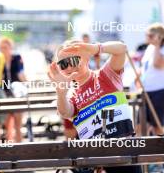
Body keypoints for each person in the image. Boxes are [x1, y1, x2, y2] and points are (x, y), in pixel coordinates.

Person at [48, 40, 141, 173]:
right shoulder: (70, 95)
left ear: (85, 58)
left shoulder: (105, 75)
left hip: (124, 154)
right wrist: (60, 93)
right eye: (63, 64)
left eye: (73, 60)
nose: (69, 67)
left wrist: (97, 48)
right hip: (94, 161)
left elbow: (122, 49)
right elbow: (65, 112)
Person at [141, 23, 164, 136]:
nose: (147, 37)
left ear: (159, 36)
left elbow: (158, 64)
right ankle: (143, 151)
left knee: (158, 127)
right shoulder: (150, 48)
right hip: (147, 91)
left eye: (150, 35)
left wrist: (158, 45)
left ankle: (161, 152)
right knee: (141, 124)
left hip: (162, 92)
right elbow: (146, 67)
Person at [0, 37, 26, 143]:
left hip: (17, 94)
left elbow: (21, 74)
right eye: (1, 47)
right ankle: (9, 150)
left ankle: (20, 149)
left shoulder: (16, 58)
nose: (3, 50)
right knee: (7, 126)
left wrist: (26, 85)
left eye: (5, 47)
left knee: (18, 125)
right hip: (4, 94)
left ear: (10, 47)